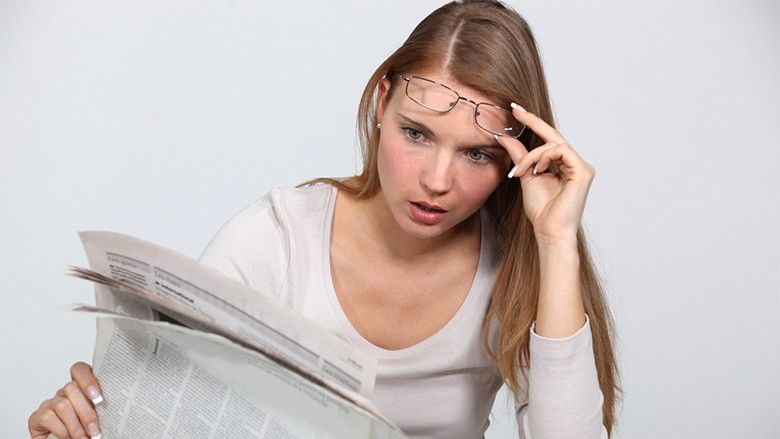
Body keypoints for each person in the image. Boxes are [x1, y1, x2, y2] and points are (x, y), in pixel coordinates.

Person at [28, 1, 621, 438]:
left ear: (517, 155)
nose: (438, 180)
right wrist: (78, 426)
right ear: (381, 102)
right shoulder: (278, 239)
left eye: (477, 154)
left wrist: (556, 242)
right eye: (416, 134)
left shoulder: (515, 266)